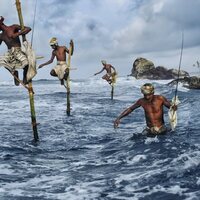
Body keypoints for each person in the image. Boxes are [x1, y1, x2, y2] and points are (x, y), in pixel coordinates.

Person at [0, 16, 31, 85]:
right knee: (2, 61)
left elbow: (28, 29)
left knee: (26, 63)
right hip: (9, 52)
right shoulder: (1, 35)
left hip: (18, 50)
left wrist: (17, 34)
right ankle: (14, 72)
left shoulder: (13, 27)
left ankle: (25, 78)